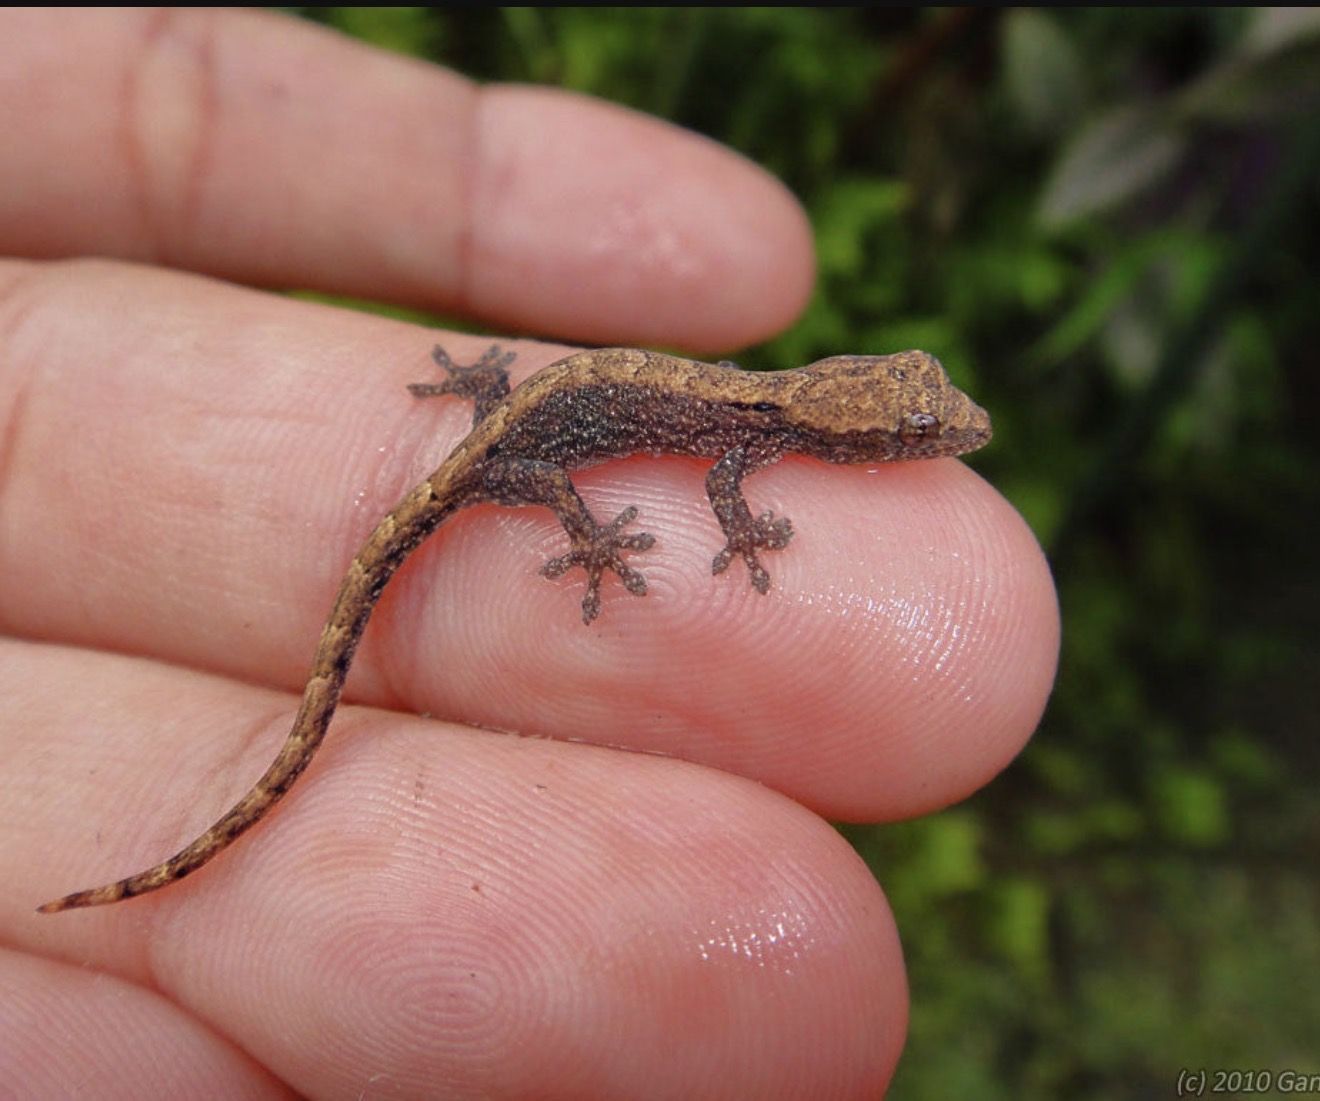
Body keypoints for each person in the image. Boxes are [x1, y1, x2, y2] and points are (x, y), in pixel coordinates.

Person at [0, 10, 1059, 1098]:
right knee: (530, 491)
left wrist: (500, 408)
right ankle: (233, 808)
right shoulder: (751, 437)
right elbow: (717, 491)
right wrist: (616, 538)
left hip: (511, 420)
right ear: (849, 435)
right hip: (509, 458)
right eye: (915, 430)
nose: (944, 434)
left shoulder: (760, 416)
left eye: (920, 424)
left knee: (524, 459)